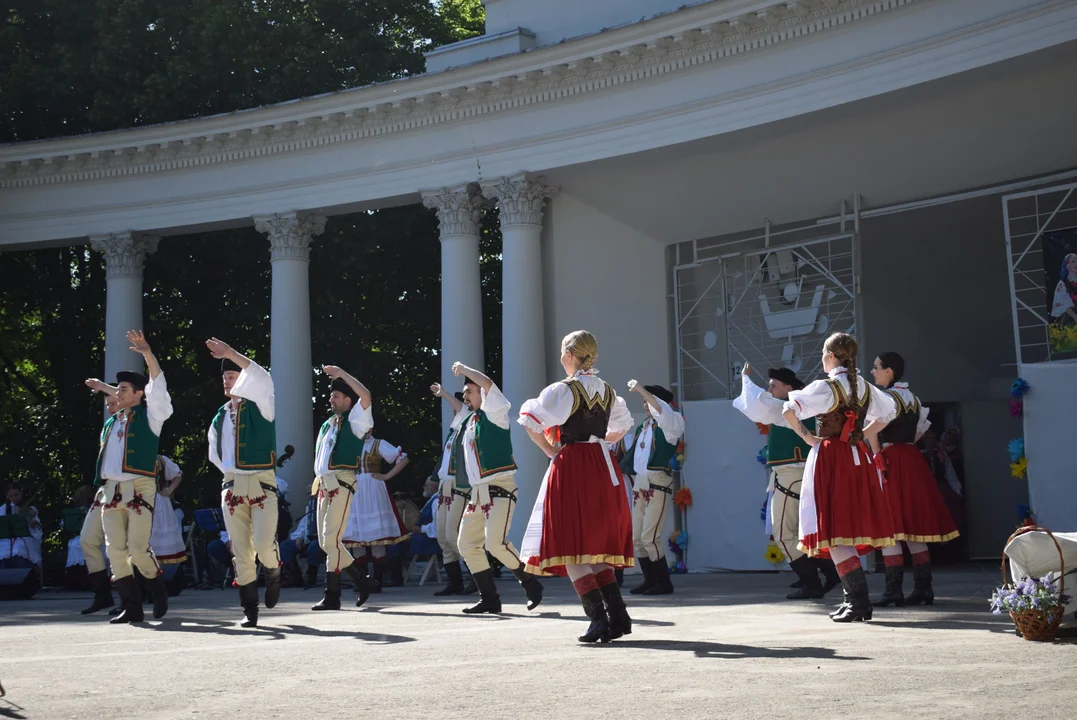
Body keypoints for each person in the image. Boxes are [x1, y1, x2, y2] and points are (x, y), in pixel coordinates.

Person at [518, 331, 635, 643]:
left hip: (573, 466)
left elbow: (529, 419)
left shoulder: (563, 390)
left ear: (569, 354)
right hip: (601, 465)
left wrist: (551, 451)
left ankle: (598, 620)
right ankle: (618, 615)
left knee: (571, 547)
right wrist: (599, 442)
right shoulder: (608, 391)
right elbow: (622, 426)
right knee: (594, 547)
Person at [781, 332, 897, 623]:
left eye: (823, 353)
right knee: (843, 528)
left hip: (832, 458)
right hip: (857, 457)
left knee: (833, 529)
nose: (822, 358)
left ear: (831, 356)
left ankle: (857, 602)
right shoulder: (865, 387)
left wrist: (808, 438)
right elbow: (888, 413)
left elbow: (788, 410)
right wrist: (860, 435)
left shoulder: (826, 386)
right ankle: (856, 601)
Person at [88, 330, 174, 624]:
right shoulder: (112, 422)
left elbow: (159, 386)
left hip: (139, 485)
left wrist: (148, 353)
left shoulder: (152, 416)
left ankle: (157, 588)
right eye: (117, 389)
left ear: (139, 393)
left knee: (138, 547)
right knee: (115, 550)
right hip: (111, 489)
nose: (118, 392)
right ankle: (131, 606)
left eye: (123, 389)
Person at [733, 364, 840, 600]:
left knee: (783, 534)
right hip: (791, 475)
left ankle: (813, 582)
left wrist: (746, 379)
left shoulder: (788, 407)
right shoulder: (796, 406)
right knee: (800, 531)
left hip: (792, 475)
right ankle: (822, 574)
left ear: (789, 388)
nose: (769, 389)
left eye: (774, 385)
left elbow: (757, 403)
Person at [450, 361, 544, 615]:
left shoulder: (496, 413)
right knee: (467, 543)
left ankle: (530, 582)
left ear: (482, 394)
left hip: (500, 486)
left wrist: (466, 370)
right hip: (478, 491)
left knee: (495, 543)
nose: (466, 396)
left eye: (470, 391)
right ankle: (489, 598)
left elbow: (488, 383)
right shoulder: (471, 421)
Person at [870, 352, 959, 607]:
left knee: (891, 527)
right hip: (911, 459)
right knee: (913, 529)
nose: (873, 372)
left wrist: (876, 454)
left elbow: (875, 428)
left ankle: (893, 590)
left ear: (889, 371)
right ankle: (923, 589)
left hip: (891, 459)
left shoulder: (885, 398)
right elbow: (920, 431)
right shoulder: (913, 398)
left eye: (876, 367)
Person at [206, 337, 280, 628]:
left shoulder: (262, 405)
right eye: (224, 376)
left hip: (262, 483)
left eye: (233, 375)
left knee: (263, 544)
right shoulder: (219, 417)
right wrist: (231, 474)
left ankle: (273, 573)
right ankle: (250, 608)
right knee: (240, 549)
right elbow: (215, 454)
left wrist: (231, 353)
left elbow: (264, 377)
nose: (227, 380)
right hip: (232, 484)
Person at [310, 366, 378, 611]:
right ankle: (359, 583)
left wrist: (343, 374)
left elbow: (367, 396)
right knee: (325, 542)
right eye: (331, 396)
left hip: (341, 481)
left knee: (331, 540)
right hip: (324, 484)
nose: (331, 398)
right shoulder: (328, 424)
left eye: (336, 395)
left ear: (349, 401)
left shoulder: (356, 419)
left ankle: (335, 594)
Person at [618, 382, 685, 596]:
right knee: (637, 537)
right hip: (640, 485)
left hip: (657, 483)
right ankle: (650, 579)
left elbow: (662, 412)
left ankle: (664, 582)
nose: (646, 404)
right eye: (644, 401)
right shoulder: (643, 427)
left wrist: (640, 389)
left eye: (649, 400)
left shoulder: (671, 423)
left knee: (650, 536)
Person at [339, 410, 411, 591]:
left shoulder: (378, 444)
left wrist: (387, 476)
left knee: (376, 537)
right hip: (354, 490)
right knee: (357, 538)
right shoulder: (348, 444)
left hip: (373, 488)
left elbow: (403, 459)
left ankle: (377, 581)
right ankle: (362, 581)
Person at [430, 383, 471, 596]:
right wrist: (433, 477)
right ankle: (455, 582)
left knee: (453, 534)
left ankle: (476, 575)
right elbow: (443, 460)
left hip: (459, 485)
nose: (455, 409)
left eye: (458, 406)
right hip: (446, 486)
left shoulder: (469, 426)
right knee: (442, 536)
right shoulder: (453, 432)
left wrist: (444, 393)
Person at [150, 456, 187, 571]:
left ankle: (163, 579)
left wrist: (170, 489)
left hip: (160, 504)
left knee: (161, 545)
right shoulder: (129, 457)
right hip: (138, 503)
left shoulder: (160, 459)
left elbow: (177, 475)